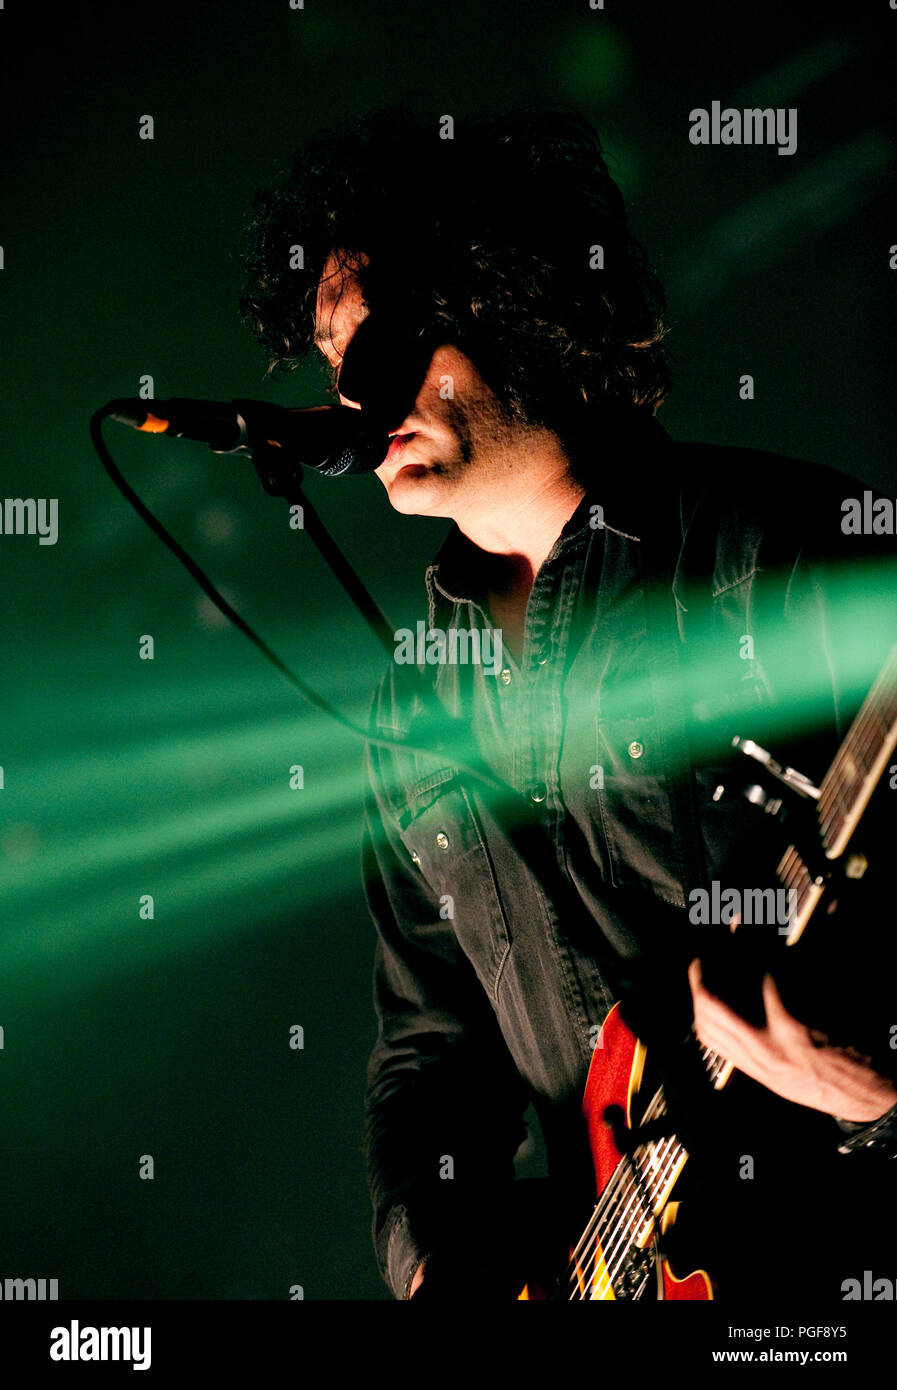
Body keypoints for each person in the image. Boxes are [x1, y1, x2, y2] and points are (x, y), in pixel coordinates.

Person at [240, 107, 897, 1301]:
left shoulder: (799, 554)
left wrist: (888, 1093)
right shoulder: (410, 713)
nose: (353, 394)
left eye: (384, 341)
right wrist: (443, 1269)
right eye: (337, 361)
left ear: (516, 300)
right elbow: (427, 1056)